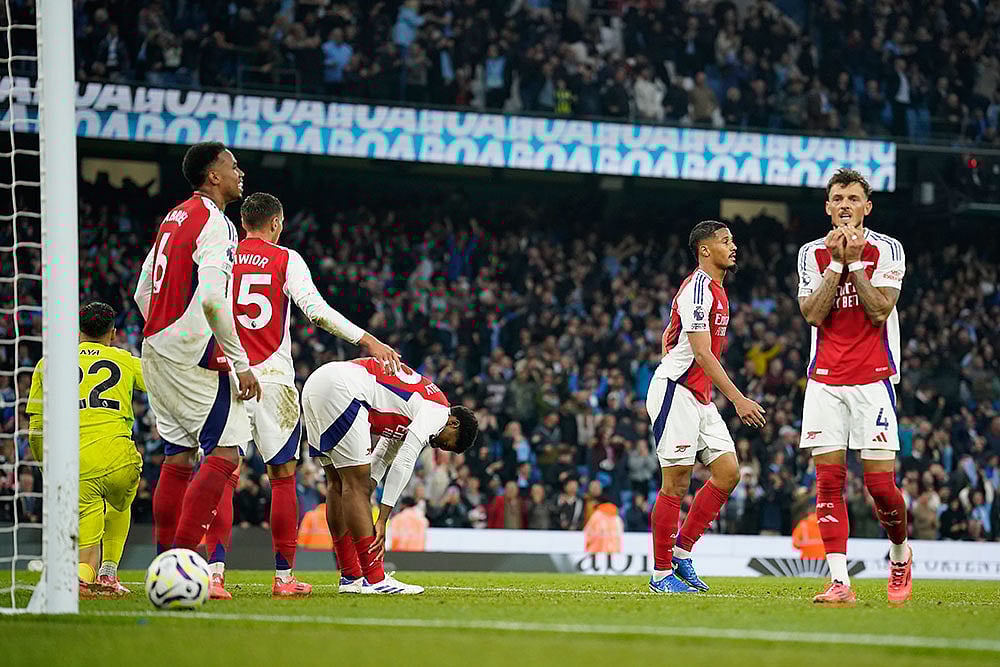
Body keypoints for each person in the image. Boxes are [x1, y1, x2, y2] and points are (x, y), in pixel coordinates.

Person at [202, 193, 402, 599]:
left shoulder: (221, 254)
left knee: (223, 476)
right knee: (282, 478)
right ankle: (283, 579)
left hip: (227, 374)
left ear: (243, 223)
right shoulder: (285, 259)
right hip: (273, 379)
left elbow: (202, 306)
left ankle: (214, 576)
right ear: (276, 223)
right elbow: (316, 310)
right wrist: (366, 339)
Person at [133, 142, 261, 558]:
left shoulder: (175, 216)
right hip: (193, 354)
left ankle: (164, 561)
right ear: (214, 176)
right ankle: (184, 562)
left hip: (155, 345)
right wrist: (240, 363)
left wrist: (164, 328)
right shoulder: (217, 222)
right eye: (233, 165)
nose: (240, 172)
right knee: (225, 452)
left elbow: (140, 290)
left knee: (179, 457)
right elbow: (211, 299)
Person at [797, 167, 910, 606]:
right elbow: (812, 314)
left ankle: (899, 554)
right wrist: (836, 267)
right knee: (828, 483)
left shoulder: (888, 249)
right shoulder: (811, 253)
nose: (844, 205)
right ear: (827, 207)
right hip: (824, 379)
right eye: (837, 198)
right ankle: (840, 581)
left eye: (852, 198)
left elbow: (880, 310)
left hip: (874, 378)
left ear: (867, 206)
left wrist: (857, 263)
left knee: (880, 487)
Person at [646, 220, 766, 594]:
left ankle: (681, 552)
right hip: (675, 391)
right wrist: (738, 398)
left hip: (698, 396)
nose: (733, 246)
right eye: (725, 240)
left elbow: (675, 340)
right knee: (676, 483)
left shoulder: (718, 290)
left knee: (729, 472)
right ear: (704, 249)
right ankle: (661, 574)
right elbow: (700, 352)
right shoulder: (698, 289)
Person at [304, 358, 478, 594]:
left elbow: (385, 455)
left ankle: (350, 576)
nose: (438, 446)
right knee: (353, 486)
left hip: (318, 383)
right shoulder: (437, 411)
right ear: (454, 423)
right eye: (446, 443)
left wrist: (367, 490)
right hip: (345, 389)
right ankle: (375, 579)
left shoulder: (412, 409)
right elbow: (406, 460)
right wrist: (382, 518)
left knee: (337, 483)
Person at [27, 302, 144, 596]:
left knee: (86, 533)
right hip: (120, 457)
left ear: (78, 331)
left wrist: (47, 468)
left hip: (76, 462)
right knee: (120, 503)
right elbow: (163, 384)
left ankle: (81, 574)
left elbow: (36, 430)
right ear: (113, 333)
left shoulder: (49, 364)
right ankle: (109, 573)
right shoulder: (125, 360)